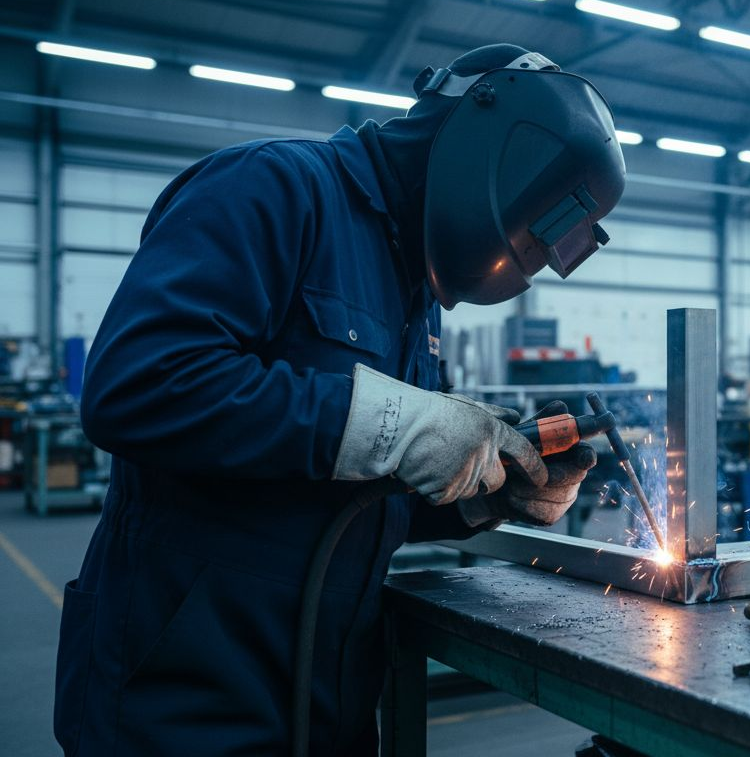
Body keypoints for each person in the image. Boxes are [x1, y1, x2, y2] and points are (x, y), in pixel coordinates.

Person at [53, 43, 625, 755]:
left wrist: (486, 494)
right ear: (495, 150)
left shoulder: (415, 287)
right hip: (181, 698)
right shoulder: (274, 188)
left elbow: (360, 496)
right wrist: (392, 424)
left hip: (328, 703)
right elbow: (137, 384)